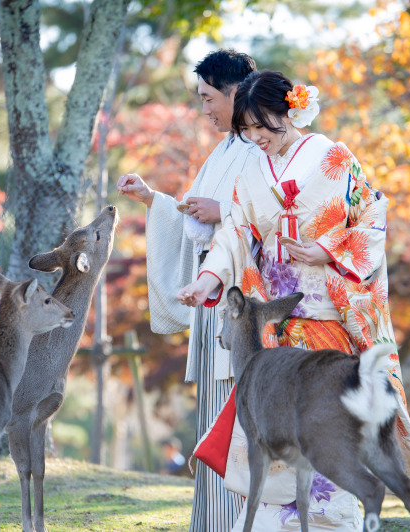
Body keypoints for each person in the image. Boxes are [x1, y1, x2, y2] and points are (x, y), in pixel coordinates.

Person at [177, 70, 410, 531]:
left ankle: (335, 520)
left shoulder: (334, 156)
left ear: (287, 111)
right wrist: (208, 280)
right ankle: (276, 520)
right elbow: (236, 231)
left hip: (328, 317)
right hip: (277, 323)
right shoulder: (252, 169)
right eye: (245, 130)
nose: (254, 138)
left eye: (260, 126)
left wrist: (327, 249)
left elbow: (372, 212)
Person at [116, 49, 257, 531]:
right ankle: (213, 522)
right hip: (211, 293)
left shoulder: (262, 148)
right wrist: (154, 199)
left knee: (236, 417)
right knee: (214, 417)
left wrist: (222, 213)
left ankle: (238, 521)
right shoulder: (224, 149)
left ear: (235, 91)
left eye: (207, 97)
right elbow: (197, 218)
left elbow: (269, 219)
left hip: (239, 298)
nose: (204, 109)